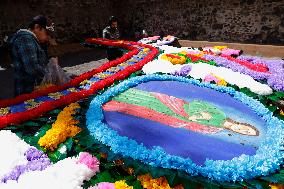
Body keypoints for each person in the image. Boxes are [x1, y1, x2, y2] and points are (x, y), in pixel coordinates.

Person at [9, 15, 55, 96]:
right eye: (46, 33)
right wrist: (52, 76)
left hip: (33, 91)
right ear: (37, 27)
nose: (48, 37)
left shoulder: (32, 39)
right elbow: (32, 68)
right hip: (26, 93)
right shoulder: (25, 39)